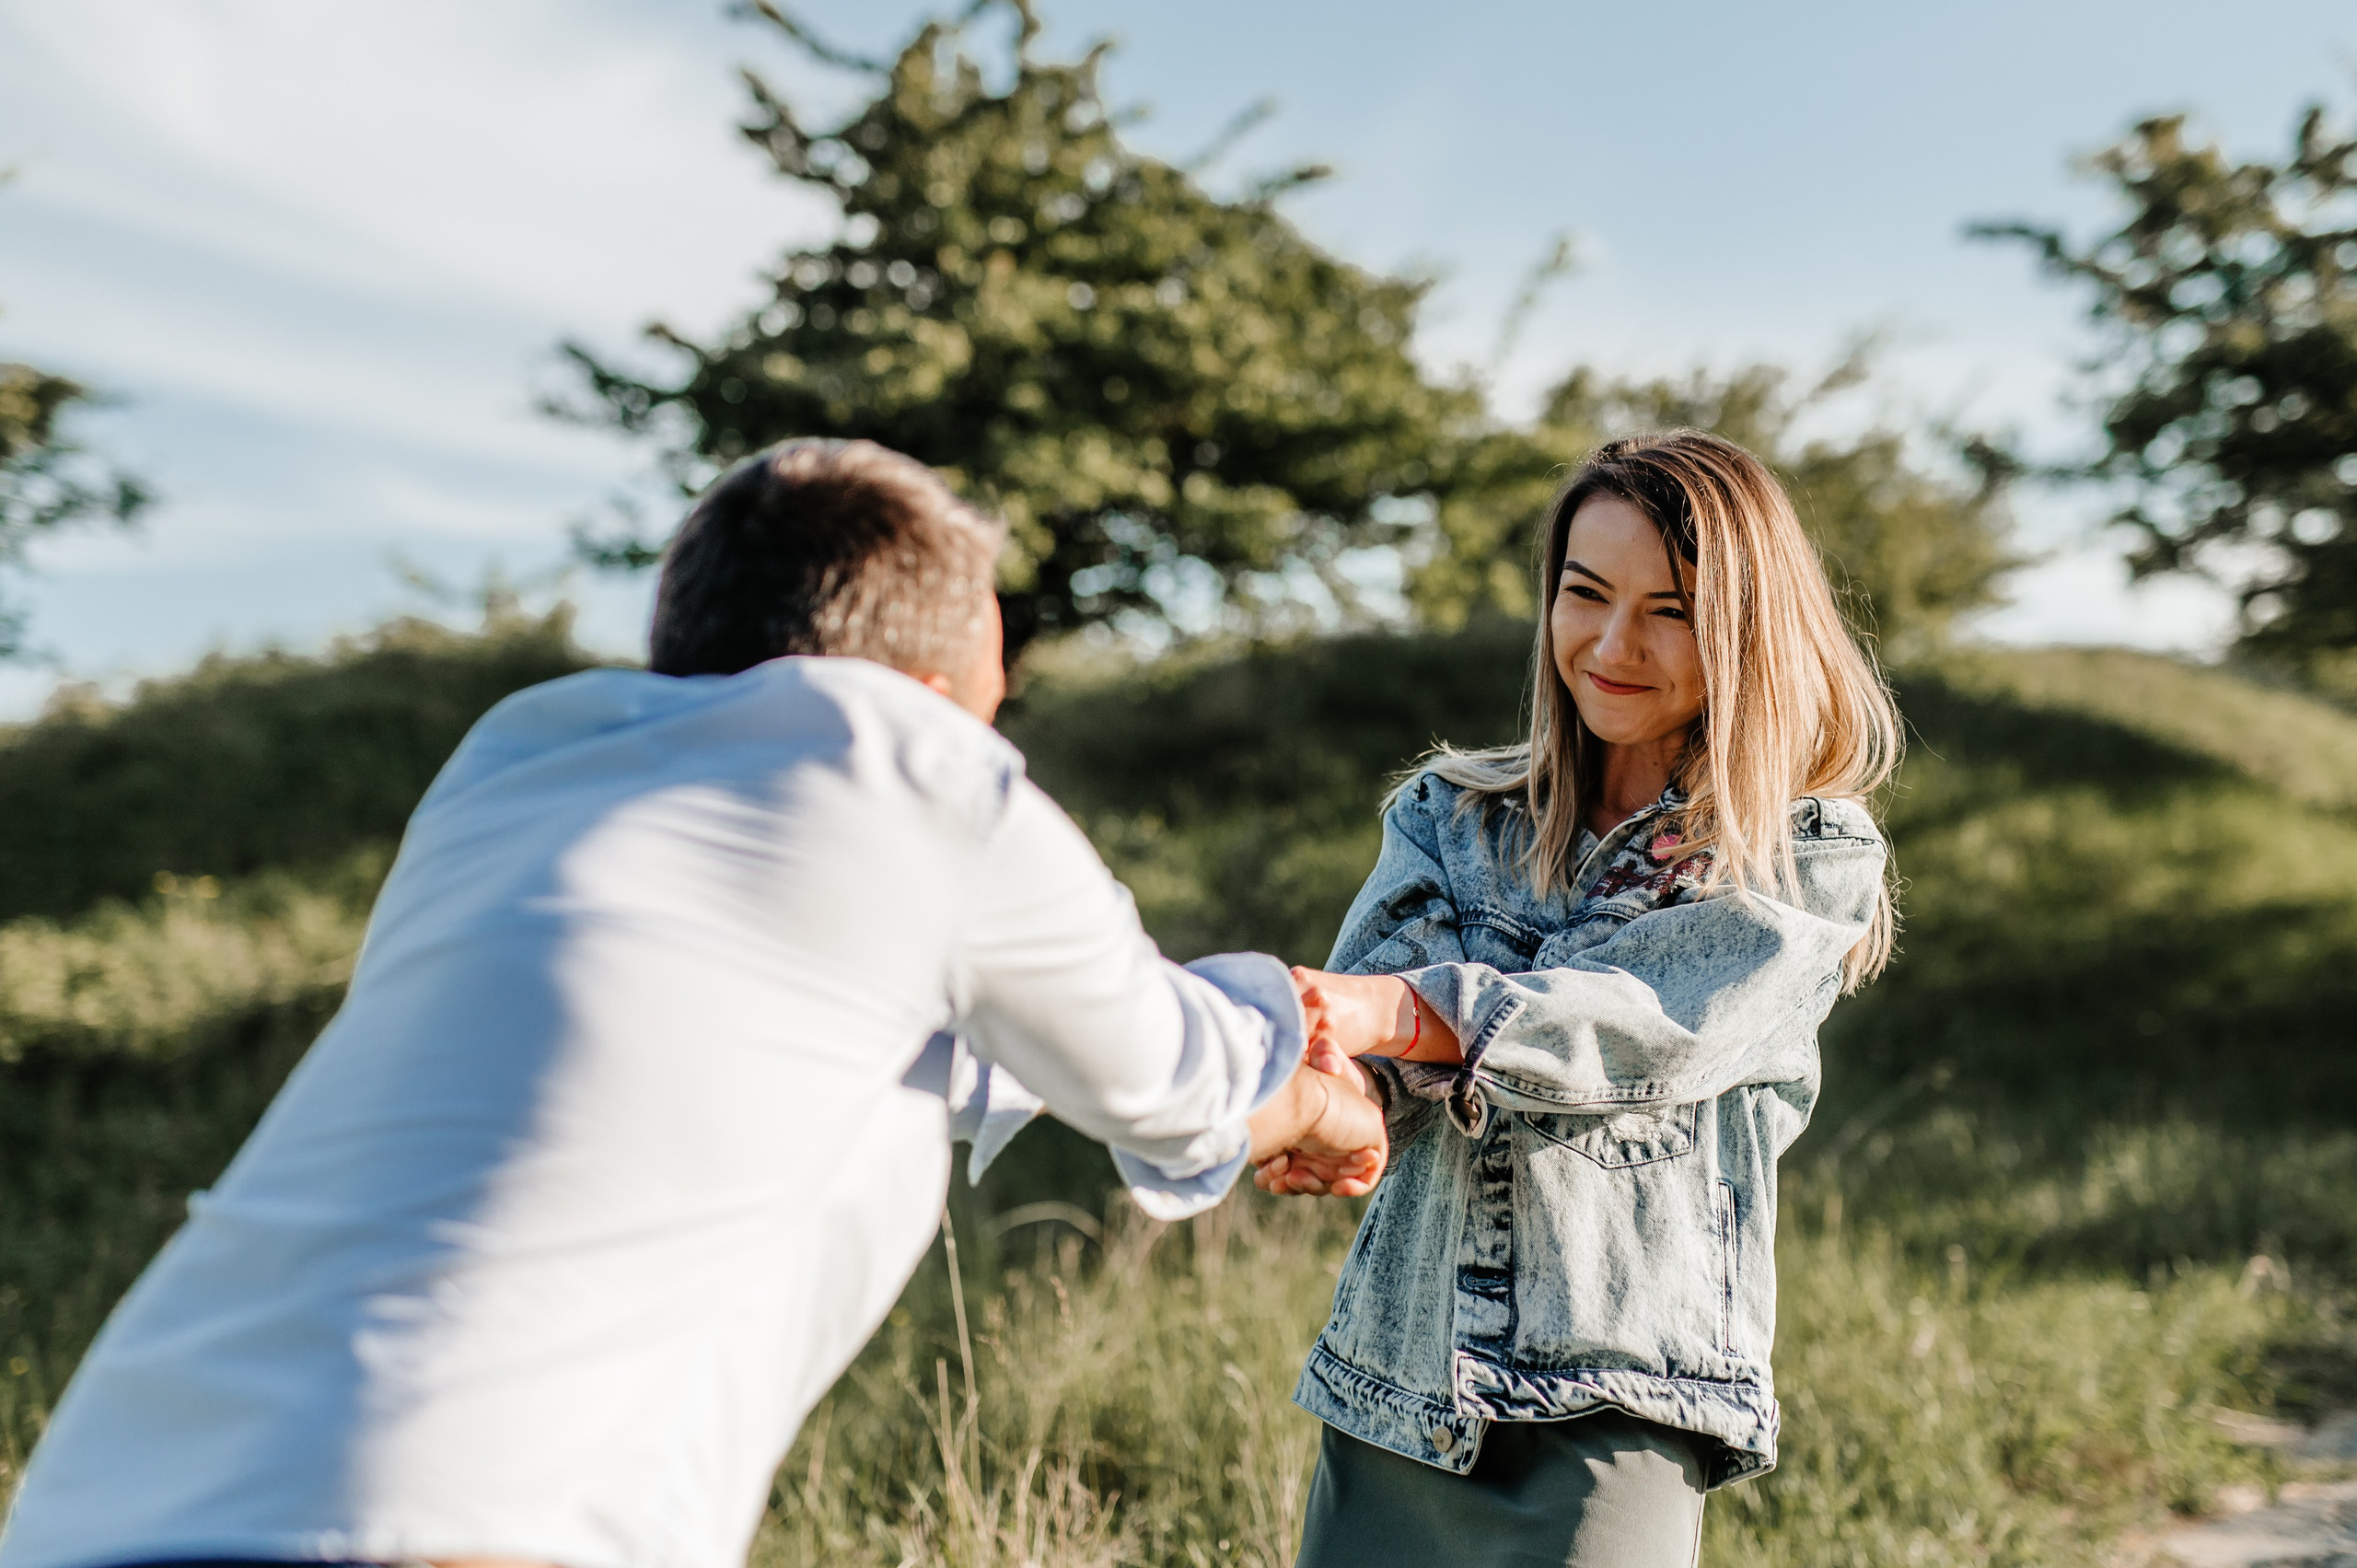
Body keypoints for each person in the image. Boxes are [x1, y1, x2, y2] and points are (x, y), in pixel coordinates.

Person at [0, 439, 1387, 1568]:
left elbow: (877, 1038)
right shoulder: (913, 764)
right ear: (932, 685)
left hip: (103, 1501)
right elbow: (1175, 1079)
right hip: (451, 1513)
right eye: (992, 693)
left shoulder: (517, 762)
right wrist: (1330, 1081)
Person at [1255, 430, 1900, 1568]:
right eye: (1585, 592)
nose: (1610, 645)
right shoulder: (1449, 816)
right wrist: (1315, 1109)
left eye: (1670, 610)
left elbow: (1640, 1024)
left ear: (1746, 626)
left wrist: (1392, 1011)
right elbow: (1368, 1067)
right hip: (1395, 1394)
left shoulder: (1800, 854)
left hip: (1613, 1414)